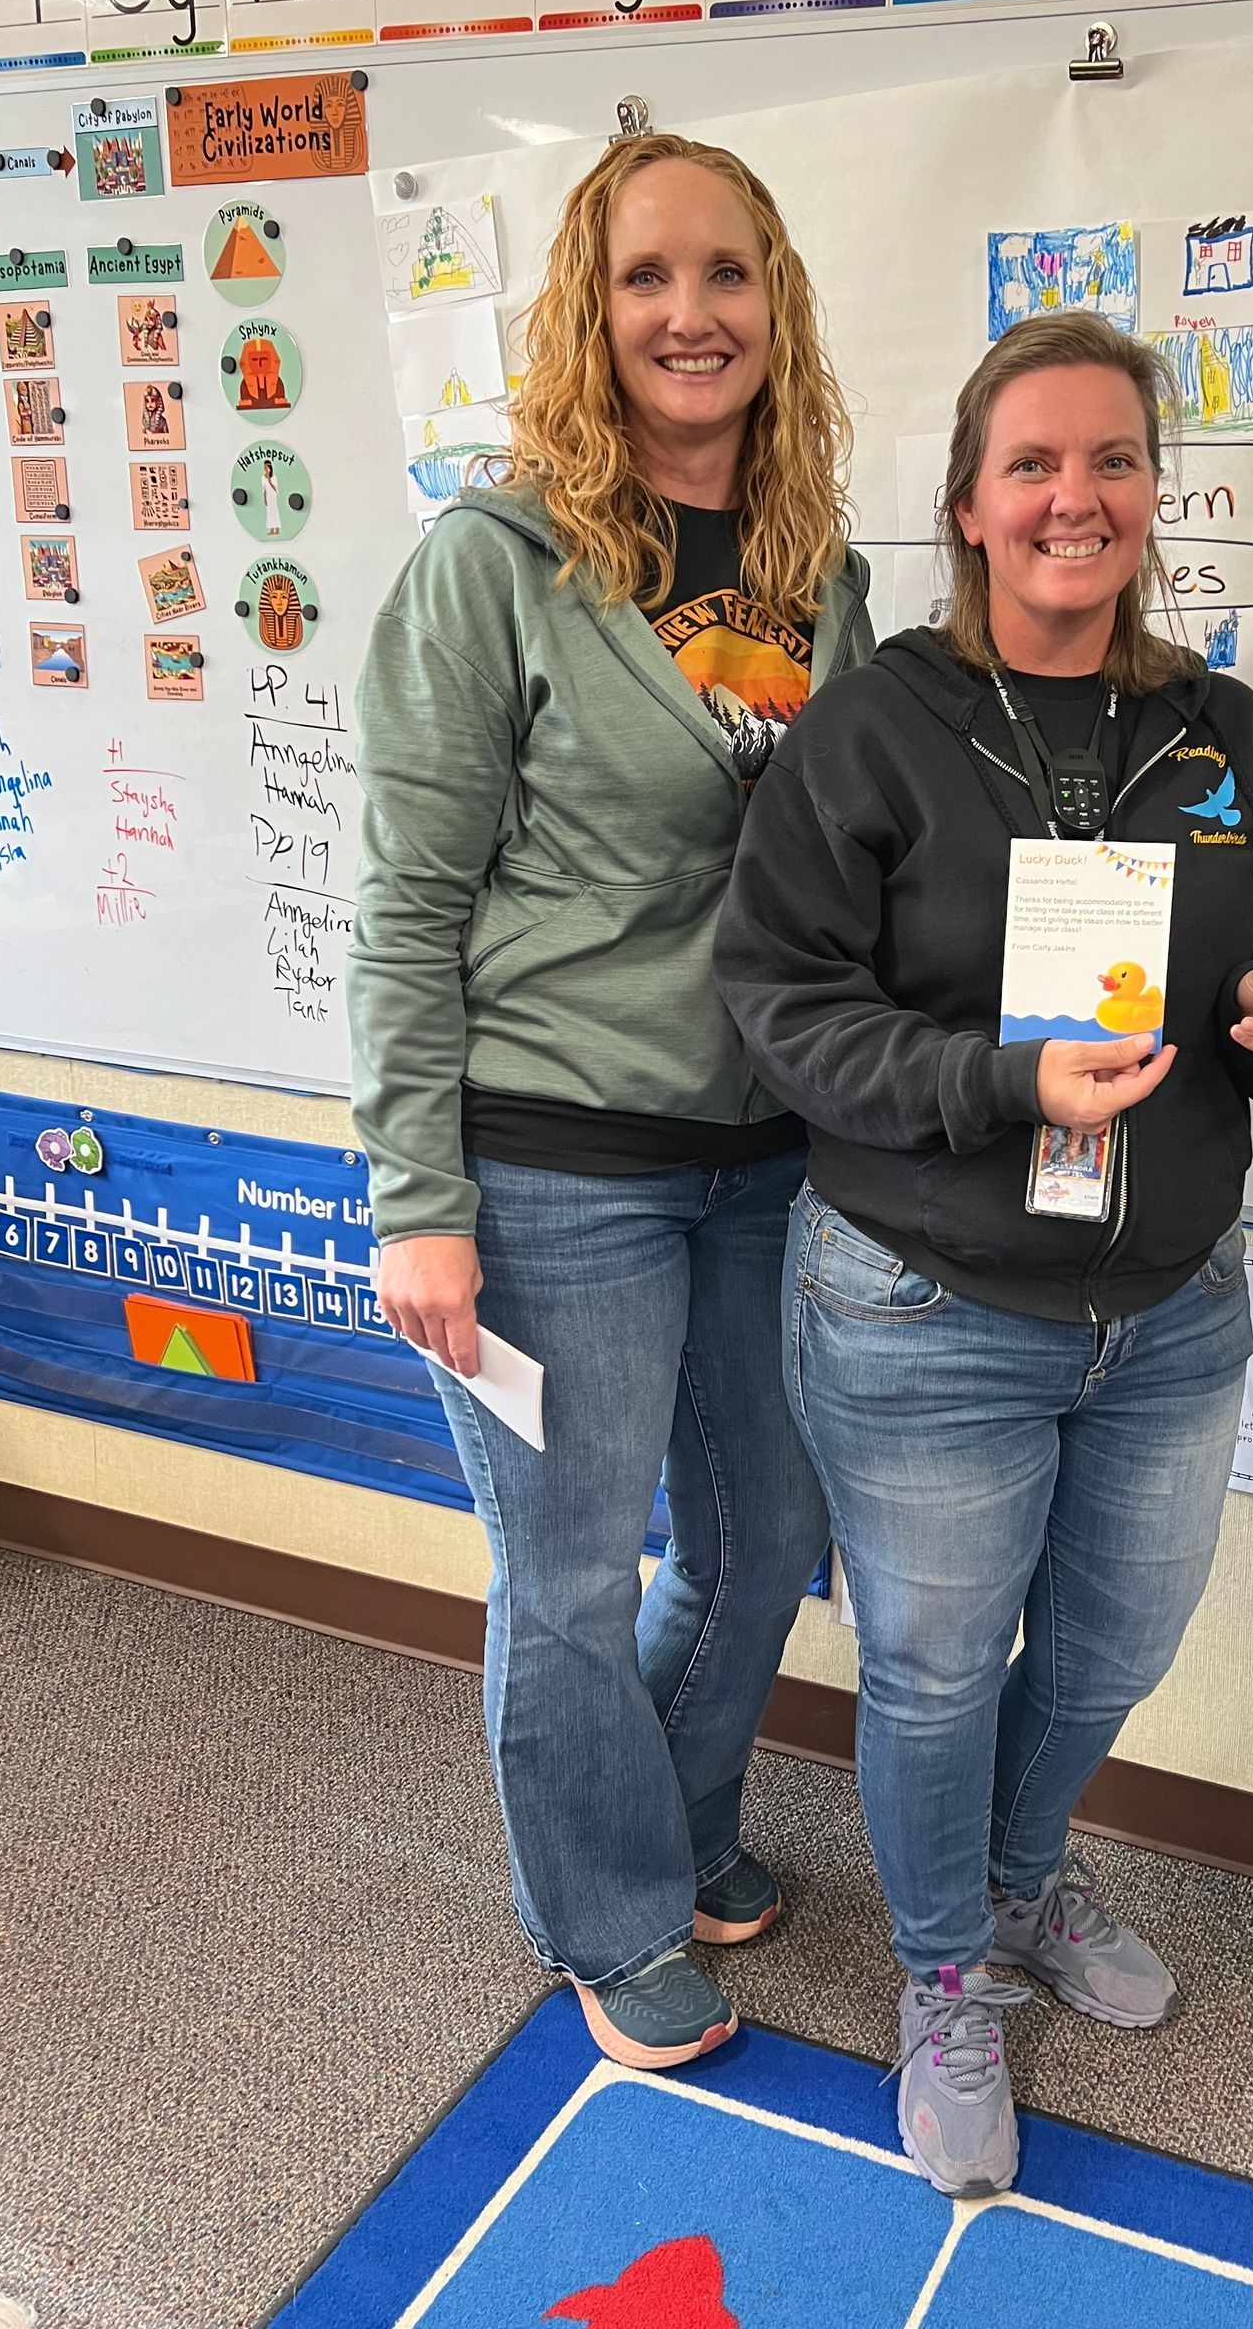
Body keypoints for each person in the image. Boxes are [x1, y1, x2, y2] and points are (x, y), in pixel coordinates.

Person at [715, 313, 1253, 2197]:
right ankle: (941, 1979)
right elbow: (781, 1001)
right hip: (922, 1301)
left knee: (1107, 1649)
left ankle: (1015, 1879)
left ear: (1157, 494)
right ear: (972, 507)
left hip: (1161, 1313)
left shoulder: (1222, 733)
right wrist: (1000, 1079)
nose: (1078, 499)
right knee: (928, 1673)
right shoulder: (873, 726)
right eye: (1035, 467)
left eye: (1113, 463)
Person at [348, 134, 870, 2072]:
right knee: (568, 1572)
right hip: (550, 1156)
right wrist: (418, 1190)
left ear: (775, 300)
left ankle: (671, 1810)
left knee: (765, 1535)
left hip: (766, 1157)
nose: (690, 313)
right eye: (646, 276)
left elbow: (866, 860)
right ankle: (610, 1905)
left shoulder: (829, 574)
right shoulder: (499, 568)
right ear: (588, 307)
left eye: (726, 272)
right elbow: (402, 896)